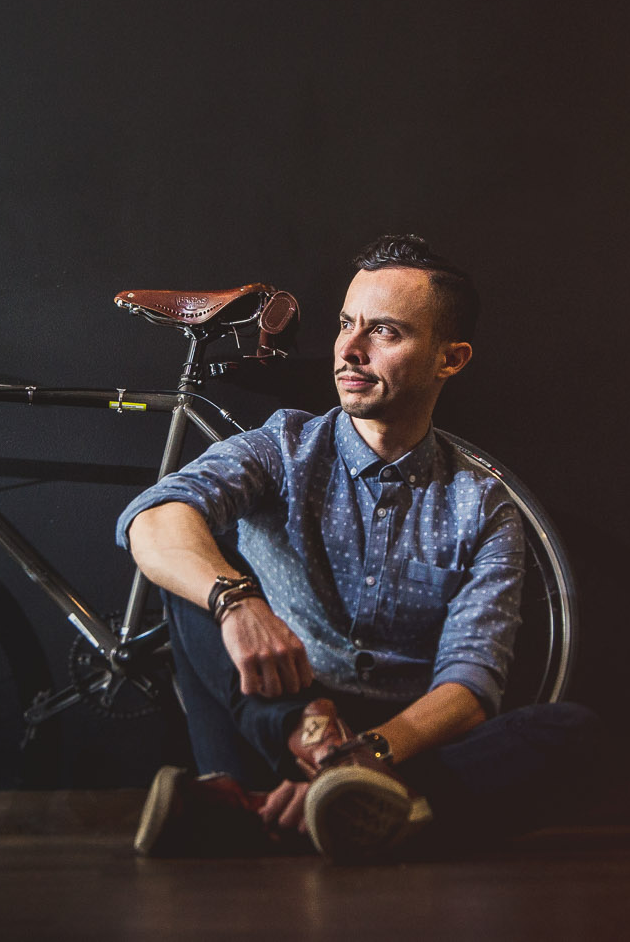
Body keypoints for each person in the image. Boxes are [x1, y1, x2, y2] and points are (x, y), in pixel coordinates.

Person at [118, 234, 601, 864]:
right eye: (347, 324)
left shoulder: (482, 506)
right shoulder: (283, 445)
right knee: (193, 581)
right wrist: (239, 605)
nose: (349, 349)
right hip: (271, 718)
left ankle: (273, 811)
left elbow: (470, 687)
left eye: (386, 332)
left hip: (397, 749)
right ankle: (362, 810)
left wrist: (365, 756)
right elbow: (152, 520)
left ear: (449, 359)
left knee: (573, 735)